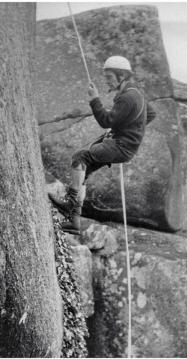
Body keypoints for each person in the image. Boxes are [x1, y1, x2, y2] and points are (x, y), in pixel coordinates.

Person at [49, 56, 156, 234]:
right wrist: (129, 129)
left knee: (80, 157)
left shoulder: (128, 98)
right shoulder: (135, 93)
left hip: (121, 146)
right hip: (123, 143)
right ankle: (74, 221)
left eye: (109, 77)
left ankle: (71, 208)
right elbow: (150, 114)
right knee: (86, 167)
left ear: (121, 75)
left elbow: (106, 121)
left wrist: (94, 100)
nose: (106, 80)